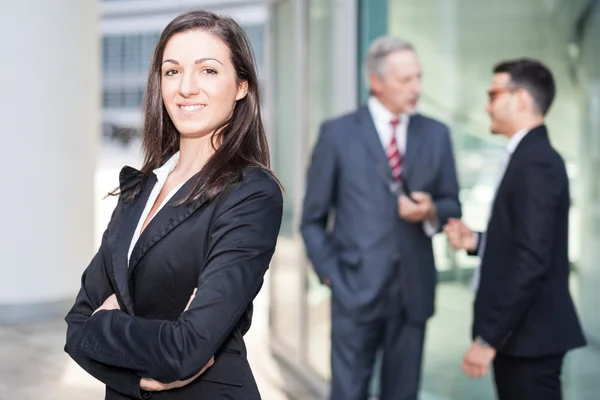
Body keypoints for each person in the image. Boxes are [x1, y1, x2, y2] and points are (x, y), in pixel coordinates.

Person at [64, 10, 283, 400]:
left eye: (208, 71)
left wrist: (104, 326)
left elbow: (187, 349)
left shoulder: (251, 193)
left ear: (242, 86)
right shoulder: (141, 187)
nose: (186, 87)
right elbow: (76, 325)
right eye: (172, 71)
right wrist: (135, 374)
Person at [300, 36, 461, 400]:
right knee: (348, 392)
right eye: (406, 80)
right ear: (376, 82)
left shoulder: (436, 134)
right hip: (353, 291)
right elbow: (312, 220)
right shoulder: (337, 135)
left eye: (418, 77)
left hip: (413, 294)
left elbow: (453, 204)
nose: (416, 87)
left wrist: (431, 210)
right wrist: (331, 276)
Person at [444, 59, 586, 400]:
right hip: (525, 338)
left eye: (493, 94)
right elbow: (527, 241)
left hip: (529, 339)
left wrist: (488, 338)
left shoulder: (535, 161)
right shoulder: (527, 155)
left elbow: (531, 259)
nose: (486, 105)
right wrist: (477, 241)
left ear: (520, 99)